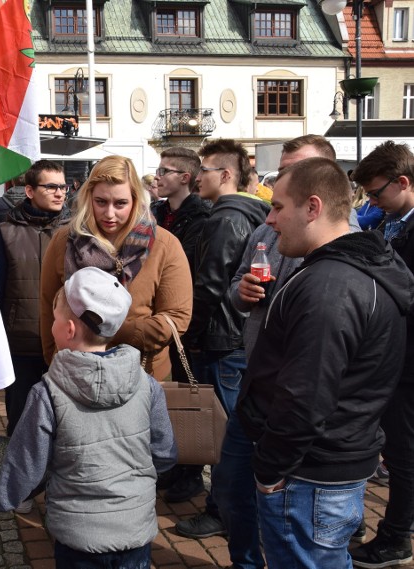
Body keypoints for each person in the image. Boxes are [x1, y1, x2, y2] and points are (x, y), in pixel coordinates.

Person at [176, 134, 360, 562]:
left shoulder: (350, 245)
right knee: (232, 485)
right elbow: (237, 290)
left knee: (301, 522)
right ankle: (245, 560)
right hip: (256, 387)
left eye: (297, 170)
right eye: (284, 170)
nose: (284, 180)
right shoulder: (266, 228)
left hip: (311, 410)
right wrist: (243, 293)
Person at [238, 157, 414, 569]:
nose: (270, 218)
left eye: (279, 207)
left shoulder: (329, 288)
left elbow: (305, 396)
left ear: (313, 208)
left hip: (310, 475)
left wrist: (270, 469)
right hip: (328, 467)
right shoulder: (343, 272)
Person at [0, 267, 177, 569]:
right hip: (136, 530)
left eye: (55, 316)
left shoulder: (47, 393)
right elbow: (164, 454)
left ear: (68, 329)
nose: (52, 323)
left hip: (78, 538)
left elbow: (27, 467)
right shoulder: (145, 383)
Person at [168, 139, 269, 504]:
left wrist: (187, 334)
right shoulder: (238, 213)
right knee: (222, 425)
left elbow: (209, 285)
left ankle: (223, 508)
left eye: (205, 170)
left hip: (219, 340)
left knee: (226, 431)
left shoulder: (226, 218)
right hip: (226, 338)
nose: (197, 178)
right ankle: (211, 494)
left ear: (225, 175)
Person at [40, 155, 192, 381]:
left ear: (135, 200)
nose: (109, 214)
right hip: (75, 374)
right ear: (88, 198)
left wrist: (104, 331)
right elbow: (47, 307)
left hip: (144, 375)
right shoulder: (63, 241)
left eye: (120, 203)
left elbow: (176, 318)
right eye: (101, 202)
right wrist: (55, 358)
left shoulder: (165, 245)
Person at [349, 141, 414, 568]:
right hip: (390, 355)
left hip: (408, 361)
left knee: (404, 453)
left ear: (403, 182)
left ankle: (396, 537)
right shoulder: (388, 222)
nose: (372, 202)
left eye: (377, 193)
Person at [0, 160, 70, 447]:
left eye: (63, 187)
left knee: (63, 420)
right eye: (51, 187)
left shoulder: (74, 232)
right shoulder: (6, 232)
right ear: (30, 191)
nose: (60, 193)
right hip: (20, 345)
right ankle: (22, 483)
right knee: (21, 418)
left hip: (65, 344)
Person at [150, 147, 208, 388]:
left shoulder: (202, 217)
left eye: (164, 171)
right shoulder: (156, 212)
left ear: (185, 178)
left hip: (181, 320)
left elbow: (189, 270)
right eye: (157, 170)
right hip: (155, 315)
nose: (157, 177)